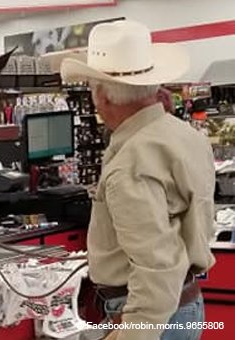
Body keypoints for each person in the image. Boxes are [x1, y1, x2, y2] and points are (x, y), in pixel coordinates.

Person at [61, 20, 215, 340]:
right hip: (182, 305)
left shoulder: (130, 165)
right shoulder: (183, 135)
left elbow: (155, 268)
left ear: (102, 97)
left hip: (151, 317)